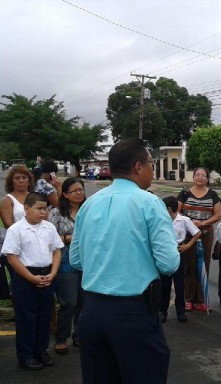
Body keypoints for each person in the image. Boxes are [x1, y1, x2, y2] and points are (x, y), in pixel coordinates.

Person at [69, 138, 179, 384]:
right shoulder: (150, 203)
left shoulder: (89, 204)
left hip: (92, 311)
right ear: (138, 166)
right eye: (151, 163)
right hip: (134, 314)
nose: (152, 169)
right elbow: (168, 264)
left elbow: (76, 259)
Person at [1, 192, 64, 371]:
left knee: (44, 316)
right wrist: (31, 278)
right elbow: (12, 258)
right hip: (26, 277)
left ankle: (41, 351)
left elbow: (57, 251)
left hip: (46, 275)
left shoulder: (49, 228)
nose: (43, 212)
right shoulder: (16, 229)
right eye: (39, 208)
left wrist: (52, 273)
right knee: (27, 318)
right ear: (26, 209)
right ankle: (26, 355)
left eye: (45, 209)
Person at [48, 177, 86, 355]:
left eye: (81, 189)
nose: (79, 193)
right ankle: (62, 338)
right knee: (69, 302)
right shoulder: (56, 213)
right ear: (65, 194)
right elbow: (49, 238)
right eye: (74, 191)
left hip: (88, 262)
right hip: (64, 262)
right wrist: (69, 239)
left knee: (83, 302)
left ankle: (80, 334)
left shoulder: (89, 210)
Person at [177, 167, 221, 312]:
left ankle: (201, 300)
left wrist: (202, 223)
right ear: (193, 177)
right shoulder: (184, 193)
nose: (200, 177)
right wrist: (190, 222)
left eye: (203, 175)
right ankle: (188, 299)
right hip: (188, 235)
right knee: (189, 266)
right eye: (197, 175)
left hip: (206, 234)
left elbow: (217, 215)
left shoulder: (213, 195)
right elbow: (177, 211)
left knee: (203, 266)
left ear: (207, 179)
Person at [160, 196, 201, 323]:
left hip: (178, 253)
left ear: (169, 209)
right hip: (165, 253)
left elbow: (197, 233)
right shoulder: (161, 220)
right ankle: (163, 311)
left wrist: (188, 245)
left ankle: (181, 312)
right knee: (165, 285)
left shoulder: (183, 220)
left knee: (179, 284)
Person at [0, 164, 33, 229]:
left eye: (24, 177)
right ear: (11, 181)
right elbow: (8, 225)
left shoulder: (36, 197)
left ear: (29, 180)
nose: (21, 181)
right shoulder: (7, 200)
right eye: (17, 178)